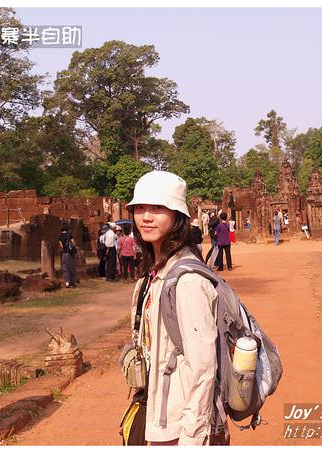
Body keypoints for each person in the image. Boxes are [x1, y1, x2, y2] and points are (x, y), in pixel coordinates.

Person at [126, 170, 221, 446]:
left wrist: (191, 438)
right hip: (154, 412)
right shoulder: (152, 274)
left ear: (177, 216)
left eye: (157, 208)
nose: (146, 216)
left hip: (179, 426)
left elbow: (203, 367)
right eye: (140, 208)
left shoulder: (187, 281)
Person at [58, 223, 77, 288]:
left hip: (64, 253)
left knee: (65, 268)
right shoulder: (69, 235)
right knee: (72, 267)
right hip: (71, 253)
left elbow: (61, 246)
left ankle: (67, 283)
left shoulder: (60, 236)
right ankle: (73, 282)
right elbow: (74, 243)